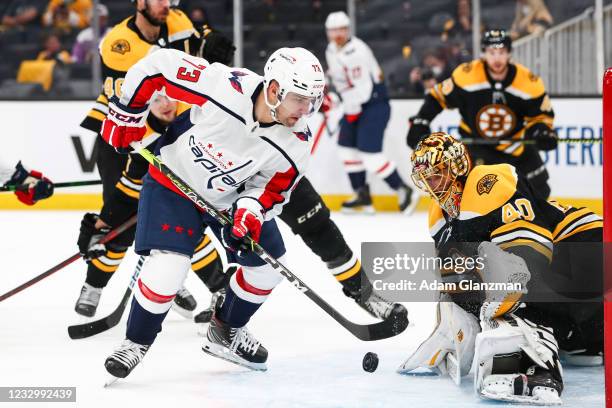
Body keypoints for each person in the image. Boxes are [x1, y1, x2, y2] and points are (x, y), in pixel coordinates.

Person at [100, 46, 324, 378]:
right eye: (300, 99)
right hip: (173, 182)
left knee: (269, 269)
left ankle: (226, 330)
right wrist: (127, 114)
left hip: (228, 200)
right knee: (168, 267)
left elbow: (271, 189)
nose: (306, 110)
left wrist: (248, 212)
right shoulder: (226, 86)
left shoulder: (297, 142)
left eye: (312, 101)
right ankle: (136, 342)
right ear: (275, 90)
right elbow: (159, 66)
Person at [398, 133, 602, 404]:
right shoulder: (440, 219)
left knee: (508, 288)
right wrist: (448, 324)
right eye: (425, 178)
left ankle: (536, 367)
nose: (430, 185)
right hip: (584, 314)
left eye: (436, 175)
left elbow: (528, 257)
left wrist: (502, 300)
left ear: (457, 167)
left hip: (589, 251)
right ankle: (577, 339)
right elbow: (459, 282)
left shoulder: (486, 182)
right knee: (494, 288)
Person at [74, 0, 235, 318]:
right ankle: (95, 285)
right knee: (122, 220)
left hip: (172, 128)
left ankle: (181, 279)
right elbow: (140, 95)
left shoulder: (177, 19)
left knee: (185, 213)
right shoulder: (119, 44)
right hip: (123, 133)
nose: (166, 4)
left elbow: (203, 41)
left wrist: (213, 42)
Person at [407, 29, 557, 198]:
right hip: (476, 149)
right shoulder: (467, 75)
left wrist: (542, 130)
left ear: (509, 53)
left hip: (516, 147)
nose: (497, 58)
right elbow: (438, 97)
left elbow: (541, 115)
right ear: (484, 53)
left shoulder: (528, 81)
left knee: (540, 195)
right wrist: (421, 121)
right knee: (467, 198)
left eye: (501, 52)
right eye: (492, 52)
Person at [324, 11, 416, 214]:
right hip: (354, 106)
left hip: (373, 104)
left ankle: (403, 189)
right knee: (345, 149)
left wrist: (350, 110)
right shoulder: (331, 50)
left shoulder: (357, 51)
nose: (337, 34)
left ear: (348, 30)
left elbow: (363, 89)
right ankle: (362, 195)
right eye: (333, 30)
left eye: (341, 29)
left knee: (370, 155)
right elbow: (343, 84)